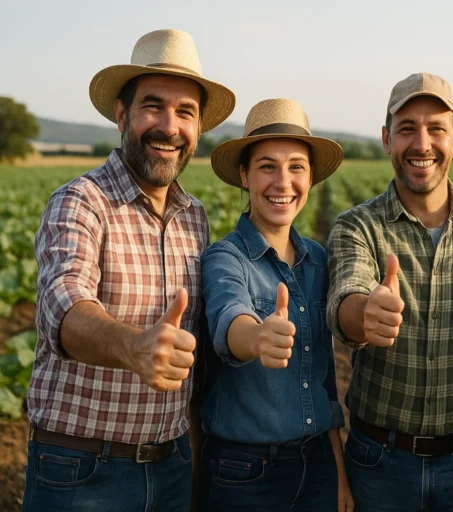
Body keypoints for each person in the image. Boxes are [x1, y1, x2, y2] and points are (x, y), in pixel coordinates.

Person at [23, 29, 235, 512]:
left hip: (171, 467)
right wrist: (133, 346)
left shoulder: (195, 216)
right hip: (82, 471)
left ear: (199, 127)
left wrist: (192, 461)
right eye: (153, 107)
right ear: (122, 114)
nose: (169, 127)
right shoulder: (81, 201)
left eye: (185, 112)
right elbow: (64, 304)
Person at [326, 72, 453, 511]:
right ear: (386, 139)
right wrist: (366, 314)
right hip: (379, 464)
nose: (422, 144)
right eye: (407, 129)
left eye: (436, 129)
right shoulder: (358, 226)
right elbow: (346, 298)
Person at [196, 98, 353, 511]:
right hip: (245, 474)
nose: (283, 182)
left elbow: (325, 383)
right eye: (267, 166)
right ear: (244, 176)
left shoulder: (318, 260)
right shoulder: (225, 258)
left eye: (296, 167)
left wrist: (337, 472)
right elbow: (230, 317)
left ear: (310, 177)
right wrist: (257, 337)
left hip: (318, 467)